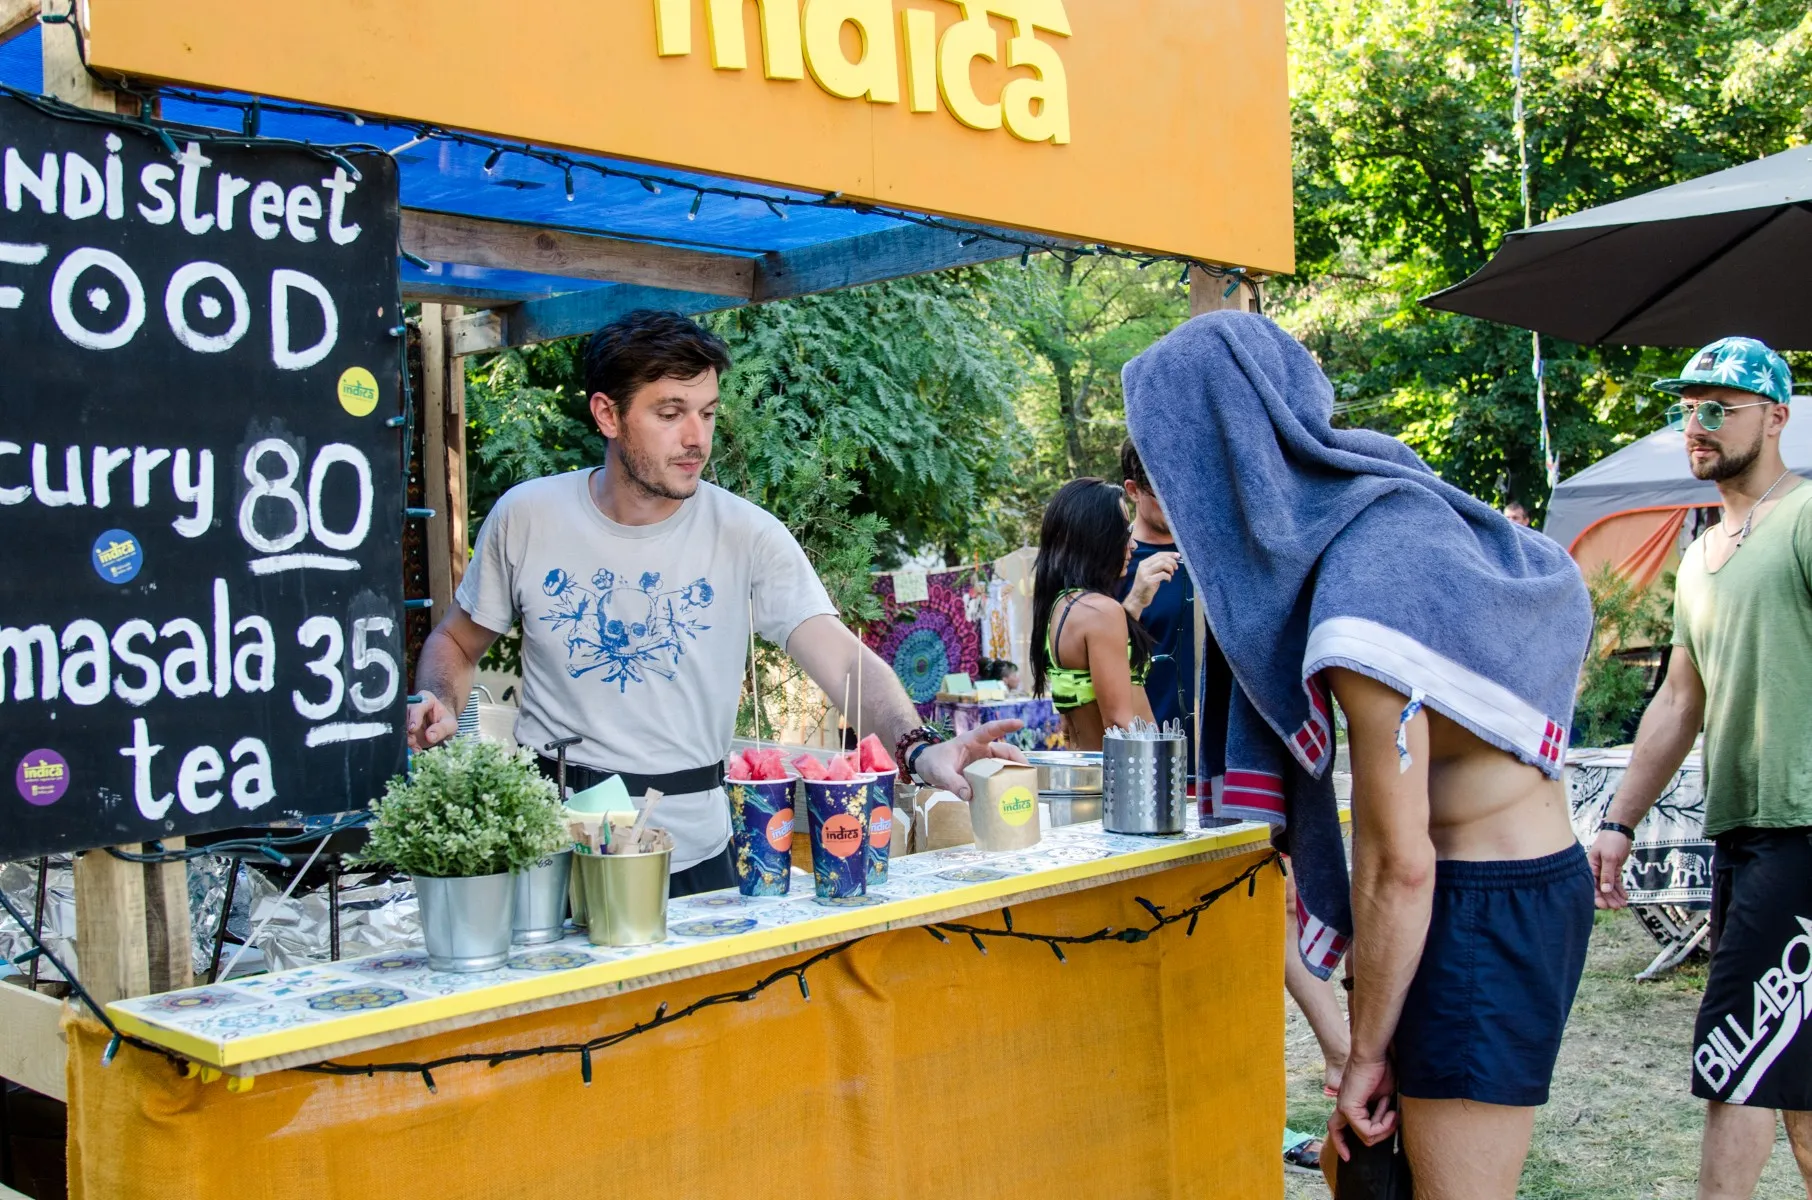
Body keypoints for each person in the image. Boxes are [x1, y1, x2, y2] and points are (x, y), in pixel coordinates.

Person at [1124, 312, 1594, 1200]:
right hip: (1506, 882)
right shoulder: (1402, 512)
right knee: (1373, 1180)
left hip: (1478, 903)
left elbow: (1398, 864)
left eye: (1173, 466)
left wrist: (1361, 1054)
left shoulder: (1364, 585)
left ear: (1222, 461)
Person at [406, 310, 1024, 896]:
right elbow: (456, 641)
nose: (696, 438)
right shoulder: (527, 516)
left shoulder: (746, 534)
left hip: (695, 855)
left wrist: (917, 746)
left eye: (706, 412)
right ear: (607, 414)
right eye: (670, 413)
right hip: (550, 850)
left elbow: (844, 662)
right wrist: (437, 698)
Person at [1588, 336, 1812, 1199]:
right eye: (1687, 408)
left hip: (1801, 830)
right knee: (1792, 1076)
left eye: (1719, 407)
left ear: (1776, 417)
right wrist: (1618, 821)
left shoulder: (1805, 517)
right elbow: (1680, 702)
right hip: (1745, 833)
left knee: (1737, 1057)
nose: (1697, 424)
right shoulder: (1703, 555)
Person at [1029, 478, 1157, 750]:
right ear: (1096, 537)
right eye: (1124, 532)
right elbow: (1119, 723)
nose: (1133, 544)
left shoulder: (1063, 605)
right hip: (1129, 770)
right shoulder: (1101, 611)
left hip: (1093, 768)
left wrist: (1134, 605)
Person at [1115, 440, 1196, 756]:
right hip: (1151, 755)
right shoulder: (1114, 562)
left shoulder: (1210, 553)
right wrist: (1133, 601)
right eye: (1162, 493)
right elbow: (1090, 659)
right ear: (1133, 490)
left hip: (1223, 756)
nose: (1176, 501)